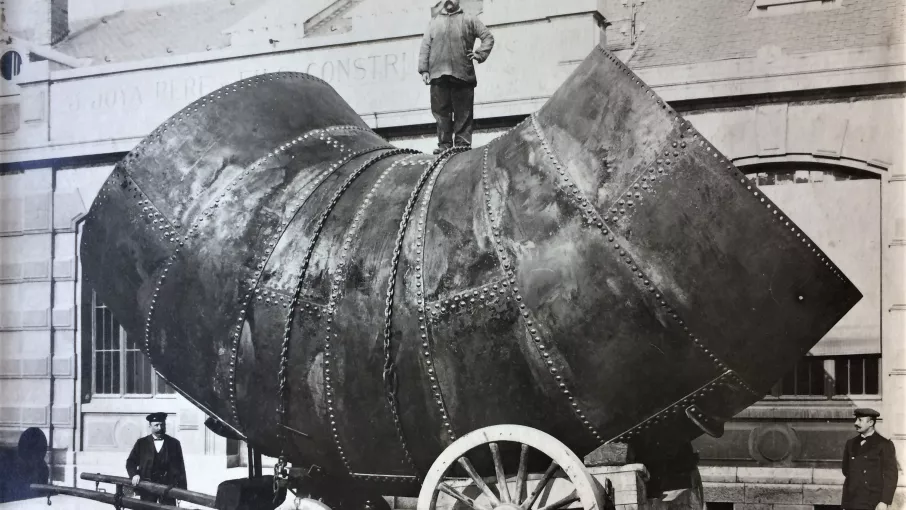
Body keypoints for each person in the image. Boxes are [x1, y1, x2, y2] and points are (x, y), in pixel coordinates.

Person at [418, 0, 494, 154]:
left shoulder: (470, 19)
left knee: (463, 114)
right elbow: (425, 46)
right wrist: (424, 70)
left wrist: (479, 54)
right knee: (440, 113)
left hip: (462, 75)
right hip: (438, 76)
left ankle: (462, 146)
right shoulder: (433, 22)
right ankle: (444, 146)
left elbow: (488, 37)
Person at [841, 408, 898, 510]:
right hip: (852, 501)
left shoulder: (884, 444)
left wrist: (884, 501)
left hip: (873, 501)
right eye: (856, 420)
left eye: (860, 420)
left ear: (871, 422)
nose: (856, 423)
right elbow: (846, 471)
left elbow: (891, 476)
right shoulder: (850, 443)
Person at [126, 412, 187, 505]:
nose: (160, 428)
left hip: (168, 488)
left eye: (162, 425)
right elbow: (130, 462)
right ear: (150, 426)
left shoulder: (174, 443)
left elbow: (181, 468)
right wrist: (134, 475)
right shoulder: (141, 443)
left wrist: (182, 492)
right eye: (156, 425)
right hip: (147, 487)